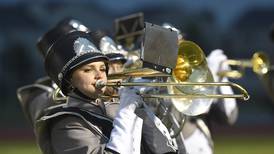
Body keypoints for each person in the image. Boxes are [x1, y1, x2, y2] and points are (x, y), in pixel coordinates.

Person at [34, 30, 178, 154]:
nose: (99, 75)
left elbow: (163, 150)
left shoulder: (115, 108)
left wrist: (145, 109)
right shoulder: (66, 124)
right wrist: (127, 110)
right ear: (69, 80)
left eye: (103, 69)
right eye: (88, 70)